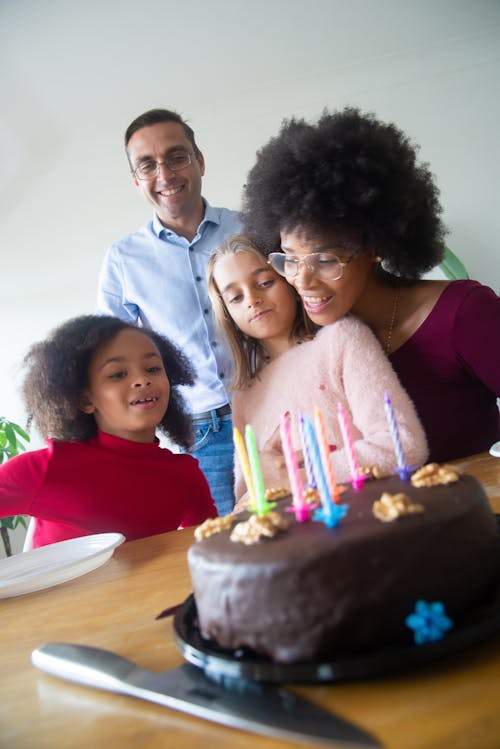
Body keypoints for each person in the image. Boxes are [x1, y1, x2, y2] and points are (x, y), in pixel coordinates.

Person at [240, 107, 500, 462]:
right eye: (290, 258)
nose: (302, 280)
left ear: (375, 246)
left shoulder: (463, 312)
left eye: (325, 259)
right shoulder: (325, 349)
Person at [207, 235, 428, 503]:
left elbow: (403, 445)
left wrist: (296, 479)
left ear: (290, 279)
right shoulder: (244, 398)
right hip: (296, 541)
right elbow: (248, 500)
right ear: (228, 314)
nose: (252, 300)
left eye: (264, 283)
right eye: (236, 297)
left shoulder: (342, 341)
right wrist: (259, 483)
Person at [97, 109, 241, 515]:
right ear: (136, 180)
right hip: (197, 432)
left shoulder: (251, 228)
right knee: (223, 552)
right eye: (147, 165)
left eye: (176, 156)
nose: (164, 173)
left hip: (273, 407)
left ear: (199, 160)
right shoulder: (123, 259)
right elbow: (108, 358)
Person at [0, 316, 217, 549]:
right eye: (117, 374)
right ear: (85, 399)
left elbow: (215, 548)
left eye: (153, 368)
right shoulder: (45, 469)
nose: (142, 380)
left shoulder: (185, 475)